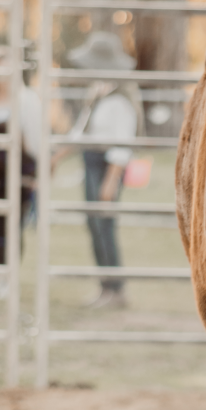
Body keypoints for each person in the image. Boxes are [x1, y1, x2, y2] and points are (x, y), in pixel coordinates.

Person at [64, 31, 141, 309]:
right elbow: (81, 132)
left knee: (104, 227)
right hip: (92, 161)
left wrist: (111, 181)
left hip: (107, 166)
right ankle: (105, 287)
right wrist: (55, 156)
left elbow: (122, 146)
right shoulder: (99, 93)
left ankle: (115, 289)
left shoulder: (121, 101)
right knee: (95, 226)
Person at [0, 46, 42, 300]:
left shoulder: (26, 100)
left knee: (11, 227)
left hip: (16, 174)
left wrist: (33, 176)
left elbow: (34, 142)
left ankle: (7, 278)